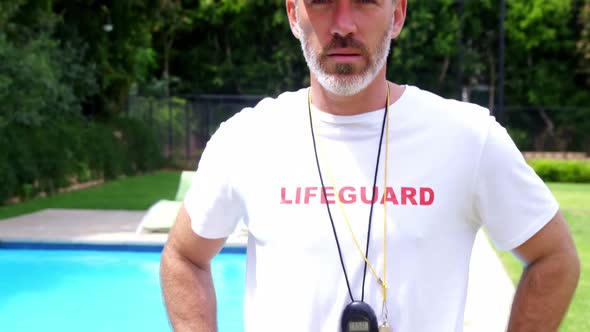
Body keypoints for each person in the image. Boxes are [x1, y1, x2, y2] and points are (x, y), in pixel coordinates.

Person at [160, 0, 580, 331]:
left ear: (397, 14)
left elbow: (554, 258)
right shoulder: (246, 139)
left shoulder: (467, 138)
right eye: (322, 1)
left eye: (364, 1)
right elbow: (183, 257)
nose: (343, 24)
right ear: (293, 14)